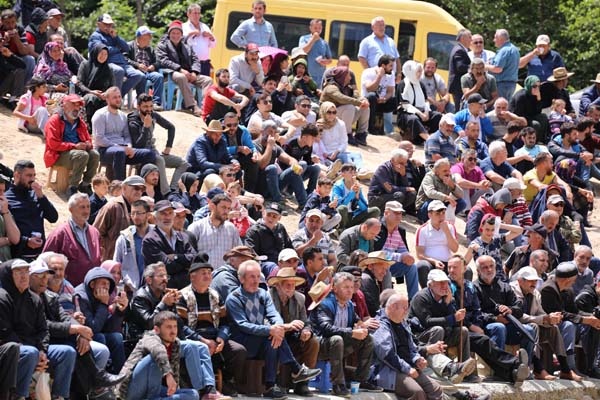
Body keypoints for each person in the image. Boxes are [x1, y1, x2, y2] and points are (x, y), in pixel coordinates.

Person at [226, 260, 321, 399]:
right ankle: (296, 370)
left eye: (258, 276)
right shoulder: (234, 298)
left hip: (260, 337)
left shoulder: (263, 294)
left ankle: (270, 386)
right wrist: (271, 330)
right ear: (241, 278)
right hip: (241, 339)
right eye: (252, 276)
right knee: (270, 336)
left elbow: (274, 314)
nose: (256, 280)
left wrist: (277, 328)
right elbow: (243, 325)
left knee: (273, 339)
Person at [310, 271, 382, 397]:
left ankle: (361, 380)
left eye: (351, 287)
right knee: (337, 339)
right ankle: (338, 385)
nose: (350, 291)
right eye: (345, 287)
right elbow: (326, 329)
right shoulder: (325, 304)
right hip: (320, 346)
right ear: (335, 289)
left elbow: (356, 320)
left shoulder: (348, 304)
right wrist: (352, 332)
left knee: (368, 339)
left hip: (339, 345)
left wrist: (362, 326)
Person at [372, 293, 445, 400]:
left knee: (435, 389)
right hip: (386, 370)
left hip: (407, 367)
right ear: (393, 307)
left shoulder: (402, 322)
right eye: (404, 308)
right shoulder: (379, 325)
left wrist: (417, 359)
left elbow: (411, 347)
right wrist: (408, 369)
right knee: (417, 392)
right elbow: (388, 355)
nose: (407, 312)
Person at [117, 311, 200, 400]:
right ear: (157, 329)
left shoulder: (175, 343)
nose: (173, 331)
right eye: (168, 327)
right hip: (131, 389)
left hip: (154, 388)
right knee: (154, 358)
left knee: (193, 394)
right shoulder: (150, 338)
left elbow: (175, 371)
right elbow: (158, 351)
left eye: (175, 327)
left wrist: (174, 388)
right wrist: (168, 375)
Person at [267, 268, 320, 396]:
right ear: (278, 285)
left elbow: (306, 322)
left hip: (293, 336)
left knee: (313, 341)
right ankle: (278, 383)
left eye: (293, 285)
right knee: (278, 338)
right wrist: (287, 326)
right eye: (287, 285)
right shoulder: (268, 296)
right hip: (273, 335)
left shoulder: (300, 298)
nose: (291, 288)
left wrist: (306, 331)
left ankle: (302, 384)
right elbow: (266, 323)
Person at [541, 262, 600, 375]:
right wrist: (584, 319)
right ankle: (569, 366)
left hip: (564, 324)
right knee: (569, 326)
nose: (574, 282)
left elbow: (574, 311)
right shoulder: (548, 289)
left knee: (594, 325)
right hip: (549, 325)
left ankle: (591, 366)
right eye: (574, 279)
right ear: (568, 279)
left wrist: (591, 318)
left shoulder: (568, 290)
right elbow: (560, 314)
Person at [92, 86, 156, 181]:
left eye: (119, 96)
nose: (118, 100)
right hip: (104, 150)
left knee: (149, 154)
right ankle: (121, 186)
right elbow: (99, 139)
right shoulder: (100, 115)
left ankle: (140, 184)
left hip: (123, 149)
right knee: (120, 152)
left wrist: (129, 146)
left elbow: (127, 135)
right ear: (107, 99)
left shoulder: (123, 116)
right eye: (114, 97)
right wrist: (120, 147)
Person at [74, 266, 128, 374]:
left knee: (117, 337)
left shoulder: (100, 295)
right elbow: (93, 328)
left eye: (108, 284)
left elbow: (109, 327)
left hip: (95, 332)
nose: (106, 287)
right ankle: (100, 379)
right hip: (80, 337)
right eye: (103, 283)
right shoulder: (81, 296)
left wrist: (119, 311)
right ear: (92, 284)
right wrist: (103, 304)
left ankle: (122, 377)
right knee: (100, 337)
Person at [43, 93, 100, 196]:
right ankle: (72, 187)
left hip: (75, 153)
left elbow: (88, 139)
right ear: (64, 105)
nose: (77, 108)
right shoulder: (55, 120)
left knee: (95, 154)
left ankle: (85, 184)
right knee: (82, 155)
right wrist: (74, 146)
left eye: (79, 105)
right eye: (74, 104)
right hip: (58, 155)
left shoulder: (80, 122)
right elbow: (53, 144)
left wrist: (87, 144)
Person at [42, 193, 101, 287]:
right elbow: (45, 261)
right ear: (71, 210)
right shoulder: (60, 233)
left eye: (88, 207)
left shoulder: (94, 232)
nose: (86, 211)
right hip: (68, 289)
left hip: (92, 288)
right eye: (82, 207)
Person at [156, 20, 212, 117]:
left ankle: (205, 107)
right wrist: (180, 69)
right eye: (173, 33)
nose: (175, 35)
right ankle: (193, 106)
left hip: (189, 73)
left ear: (181, 35)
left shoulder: (187, 46)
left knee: (208, 80)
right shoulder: (163, 45)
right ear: (169, 34)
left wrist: (194, 72)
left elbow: (195, 60)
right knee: (182, 77)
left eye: (178, 33)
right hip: (172, 73)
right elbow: (164, 61)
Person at [6, 159, 58, 261]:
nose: (33, 179)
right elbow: (6, 231)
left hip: (40, 256)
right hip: (18, 257)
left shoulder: (36, 195)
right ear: (17, 175)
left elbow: (53, 218)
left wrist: (41, 197)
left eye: (34, 175)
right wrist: (26, 241)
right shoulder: (7, 199)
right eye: (29, 176)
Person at [142, 200, 197, 289]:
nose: (167, 217)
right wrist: (185, 265)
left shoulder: (182, 237)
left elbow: (194, 259)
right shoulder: (150, 240)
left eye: (170, 213)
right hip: (161, 292)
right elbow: (166, 267)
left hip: (184, 290)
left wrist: (176, 257)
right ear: (155, 218)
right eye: (163, 214)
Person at [88, 13, 144, 97]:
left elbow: (126, 48)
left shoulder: (112, 35)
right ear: (99, 24)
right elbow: (102, 50)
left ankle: (117, 97)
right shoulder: (95, 36)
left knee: (139, 75)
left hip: (122, 63)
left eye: (110, 25)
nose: (108, 27)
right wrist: (117, 49)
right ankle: (115, 98)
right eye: (106, 24)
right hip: (106, 63)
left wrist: (116, 37)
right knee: (119, 71)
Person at [93, 175, 146, 261]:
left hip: (130, 263)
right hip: (110, 261)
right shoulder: (113, 206)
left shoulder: (140, 210)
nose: (139, 191)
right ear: (124, 188)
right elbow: (95, 233)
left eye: (142, 189)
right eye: (136, 188)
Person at [320, 67, 370, 146]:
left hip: (343, 117)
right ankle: (347, 134)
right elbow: (341, 98)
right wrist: (359, 103)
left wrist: (363, 100)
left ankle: (361, 134)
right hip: (329, 116)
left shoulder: (347, 87)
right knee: (349, 107)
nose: (350, 78)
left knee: (365, 108)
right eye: (348, 76)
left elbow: (356, 95)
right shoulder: (330, 87)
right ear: (342, 76)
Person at [188, 193, 242, 264]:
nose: (226, 212)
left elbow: (239, 252)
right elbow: (188, 255)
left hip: (224, 273)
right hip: (203, 273)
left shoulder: (231, 229)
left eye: (229, 208)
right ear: (212, 206)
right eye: (223, 207)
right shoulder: (197, 227)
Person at [397, 60, 442, 144]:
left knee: (437, 116)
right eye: (418, 72)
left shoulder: (420, 84)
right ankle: (429, 140)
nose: (420, 74)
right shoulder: (403, 84)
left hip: (421, 111)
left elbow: (425, 101)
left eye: (420, 72)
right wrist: (420, 114)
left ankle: (432, 136)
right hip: (406, 113)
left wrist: (426, 112)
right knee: (413, 119)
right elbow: (405, 105)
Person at [114, 199, 151, 292]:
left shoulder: (157, 235)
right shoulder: (124, 238)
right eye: (133, 213)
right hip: (131, 289)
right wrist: (122, 286)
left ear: (147, 214)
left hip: (153, 289)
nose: (135, 217)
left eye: (139, 213)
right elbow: (116, 264)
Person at [77, 44, 115, 130]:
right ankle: (89, 125)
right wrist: (91, 91)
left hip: (103, 95)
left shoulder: (108, 69)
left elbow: (112, 86)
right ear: (95, 53)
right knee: (91, 98)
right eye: (101, 53)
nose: (103, 56)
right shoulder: (85, 65)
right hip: (87, 93)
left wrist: (106, 94)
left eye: (105, 54)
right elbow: (79, 83)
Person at [332, 163, 380, 230]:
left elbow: (364, 208)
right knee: (343, 208)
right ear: (343, 174)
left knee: (375, 210)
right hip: (340, 217)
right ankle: (340, 229)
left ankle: (358, 229)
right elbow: (340, 205)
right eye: (350, 172)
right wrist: (351, 193)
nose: (353, 174)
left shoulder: (357, 187)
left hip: (352, 215)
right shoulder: (337, 187)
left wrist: (357, 197)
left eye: (354, 172)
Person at [126, 25, 164, 109]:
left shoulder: (150, 49)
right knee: (141, 75)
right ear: (140, 38)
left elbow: (158, 61)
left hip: (148, 72)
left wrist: (153, 66)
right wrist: (137, 65)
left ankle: (156, 103)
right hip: (135, 72)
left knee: (159, 76)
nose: (150, 39)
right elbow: (124, 59)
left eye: (150, 37)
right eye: (147, 37)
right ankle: (141, 103)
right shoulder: (129, 46)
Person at [368, 148, 417, 214]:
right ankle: (384, 211)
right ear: (393, 160)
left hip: (390, 195)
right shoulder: (383, 169)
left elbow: (405, 187)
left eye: (404, 164)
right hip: (377, 197)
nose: (403, 166)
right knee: (399, 195)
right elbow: (389, 188)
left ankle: (396, 210)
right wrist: (405, 189)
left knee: (412, 194)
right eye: (400, 163)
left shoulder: (400, 170)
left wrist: (403, 175)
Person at [361, 55, 396, 135]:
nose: (392, 68)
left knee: (395, 100)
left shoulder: (391, 74)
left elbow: (390, 91)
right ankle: (370, 129)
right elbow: (369, 89)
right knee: (372, 97)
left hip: (381, 101)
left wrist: (384, 99)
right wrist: (379, 76)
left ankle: (386, 129)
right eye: (390, 66)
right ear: (383, 66)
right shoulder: (368, 72)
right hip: (368, 101)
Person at [486, 29, 520, 101]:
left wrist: (485, 66)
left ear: (500, 38)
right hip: (511, 84)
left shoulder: (504, 50)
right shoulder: (514, 49)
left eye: (495, 38)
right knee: (505, 106)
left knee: (500, 107)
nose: (494, 40)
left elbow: (497, 69)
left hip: (502, 85)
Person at [183, 4, 216, 77]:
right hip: (191, 63)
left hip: (204, 64)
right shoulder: (184, 26)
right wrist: (191, 33)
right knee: (191, 86)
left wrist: (211, 37)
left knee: (205, 85)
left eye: (198, 13)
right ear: (188, 14)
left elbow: (213, 45)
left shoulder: (204, 26)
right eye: (195, 13)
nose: (197, 15)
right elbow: (180, 41)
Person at [298, 19, 332, 89]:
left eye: (320, 28)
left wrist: (325, 62)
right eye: (315, 28)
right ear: (310, 28)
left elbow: (330, 59)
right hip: (306, 75)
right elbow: (303, 51)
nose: (318, 30)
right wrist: (313, 39)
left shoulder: (324, 43)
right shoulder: (304, 38)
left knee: (317, 96)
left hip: (320, 76)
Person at [448, 28, 472, 107]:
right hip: (458, 86)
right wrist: (473, 68)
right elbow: (460, 67)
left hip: (459, 86)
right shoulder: (459, 50)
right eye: (469, 37)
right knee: (459, 108)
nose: (471, 39)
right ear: (462, 38)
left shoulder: (461, 49)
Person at [0, 174, 20, 262]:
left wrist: (5, 212)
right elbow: (11, 239)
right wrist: (8, 240)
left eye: (3, 191)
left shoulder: (3, 209)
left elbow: (15, 238)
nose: (2, 195)